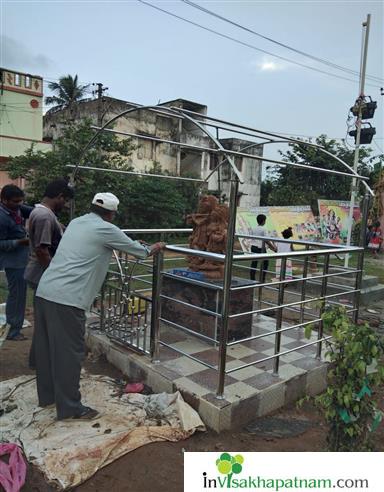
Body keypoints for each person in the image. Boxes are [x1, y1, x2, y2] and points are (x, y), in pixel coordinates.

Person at [34, 192, 165, 420]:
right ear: (111, 214)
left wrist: (131, 243)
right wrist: (156, 245)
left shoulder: (77, 222)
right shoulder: (107, 229)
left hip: (45, 291)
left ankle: (47, 397)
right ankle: (70, 408)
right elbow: (143, 253)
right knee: (69, 355)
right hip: (67, 299)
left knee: (46, 350)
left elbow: (99, 245)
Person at [25, 178, 74, 368]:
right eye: (66, 200)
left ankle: (37, 360)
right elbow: (42, 250)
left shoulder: (40, 212)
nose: (66, 204)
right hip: (41, 274)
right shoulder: (45, 216)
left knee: (44, 320)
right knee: (47, 321)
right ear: (60, 196)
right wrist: (54, 275)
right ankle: (39, 361)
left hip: (38, 273)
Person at [0, 185, 33, 341]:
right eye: (15, 201)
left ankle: (14, 327)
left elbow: (34, 211)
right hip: (13, 261)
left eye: (21, 201)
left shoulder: (16, 208)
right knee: (17, 295)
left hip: (21, 258)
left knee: (19, 294)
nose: (19, 204)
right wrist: (20, 242)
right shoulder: (2, 217)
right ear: (4, 200)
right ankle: (13, 331)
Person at [249, 214, 276, 282]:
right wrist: (273, 248)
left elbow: (251, 237)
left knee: (254, 263)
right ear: (263, 221)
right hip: (260, 248)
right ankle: (262, 279)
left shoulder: (253, 228)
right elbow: (266, 240)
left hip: (253, 247)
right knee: (265, 263)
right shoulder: (264, 229)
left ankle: (252, 279)